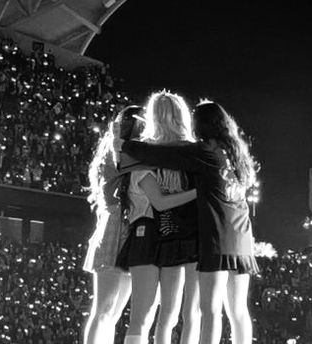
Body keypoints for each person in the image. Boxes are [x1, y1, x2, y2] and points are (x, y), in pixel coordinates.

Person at [116, 100, 259, 344]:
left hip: (218, 238)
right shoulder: (236, 153)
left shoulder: (204, 152)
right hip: (243, 237)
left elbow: (161, 154)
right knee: (238, 311)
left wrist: (125, 144)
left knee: (210, 310)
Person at [115, 94, 198, 344]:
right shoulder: (146, 157)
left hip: (165, 235)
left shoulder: (143, 153)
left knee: (165, 314)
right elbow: (159, 201)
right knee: (149, 314)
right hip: (154, 233)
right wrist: (200, 192)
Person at [82, 106, 143, 344]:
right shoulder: (116, 151)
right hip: (115, 227)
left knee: (114, 313)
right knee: (104, 309)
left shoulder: (124, 150)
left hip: (129, 228)